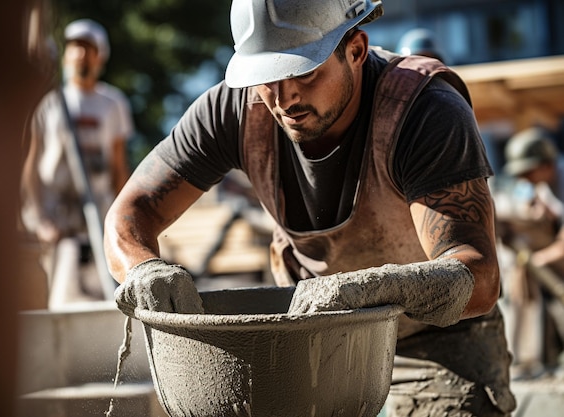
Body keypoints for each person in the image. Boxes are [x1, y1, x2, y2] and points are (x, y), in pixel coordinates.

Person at [104, 1, 516, 415]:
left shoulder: (424, 111)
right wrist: (143, 268)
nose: (285, 98)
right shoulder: (234, 111)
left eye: (303, 70)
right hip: (311, 337)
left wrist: (372, 289)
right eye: (266, 78)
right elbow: (129, 214)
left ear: (355, 49)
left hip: (436, 338)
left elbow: (478, 277)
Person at [21, 18, 134, 309]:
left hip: (97, 218)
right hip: (57, 220)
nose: (81, 54)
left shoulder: (113, 104)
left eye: (88, 48)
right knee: (57, 300)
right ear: (66, 54)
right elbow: (32, 164)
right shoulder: (49, 103)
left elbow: (119, 166)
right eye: (75, 47)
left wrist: (125, 218)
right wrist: (40, 218)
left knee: (102, 300)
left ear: (101, 55)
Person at [496, 126, 564, 378]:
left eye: (527, 172)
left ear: (545, 164)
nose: (523, 178)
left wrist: (540, 258)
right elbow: (531, 205)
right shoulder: (543, 182)